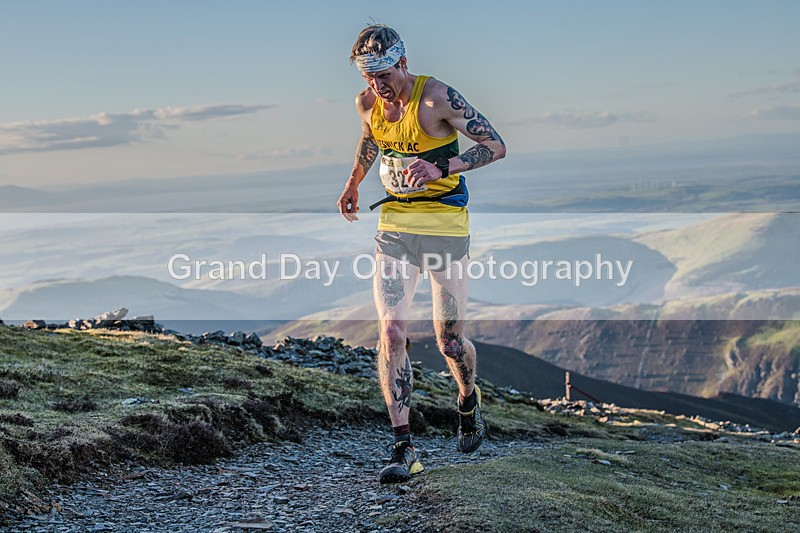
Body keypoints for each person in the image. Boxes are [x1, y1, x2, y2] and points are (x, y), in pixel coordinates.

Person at [337, 24, 506, 484]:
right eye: (368, 76)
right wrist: (354, 180)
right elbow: (372, 137)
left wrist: (440, 165)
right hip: (394, 225)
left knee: (448, 340)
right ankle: (403, 446)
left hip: (446, 226)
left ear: (403, 63)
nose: (377, 85)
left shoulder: (436, 98)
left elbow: (495, 146)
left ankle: (467, 400)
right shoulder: (368, 102)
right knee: (390, 331)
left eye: (384, 74)